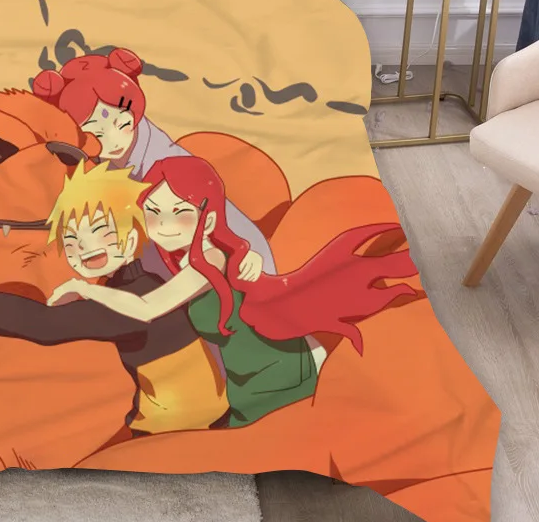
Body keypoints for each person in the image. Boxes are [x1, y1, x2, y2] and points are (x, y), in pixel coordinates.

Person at [47, 156, 416, 427]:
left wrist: (84, 289)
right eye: (154, 213)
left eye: (180, 213)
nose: (164, 226)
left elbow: (147, 307)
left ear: (208, 219)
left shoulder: (208, 259)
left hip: (273, 371)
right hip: (246, 375)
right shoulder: (187, 256)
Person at [0, 162, 260, 434]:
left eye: (102, 233)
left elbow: (48, 325)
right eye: (72, 241)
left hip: (178, 426)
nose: (85, 249)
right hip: (188, 414)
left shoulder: (134, 295)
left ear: (131, 240)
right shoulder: (144, 281)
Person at [31, 50, 276, 279]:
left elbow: (223, 218)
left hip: (205, 274)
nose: (114, 142)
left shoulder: (170, 164)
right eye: (97, 135)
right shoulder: (86, 165)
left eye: (123, 124)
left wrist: (249, 255)